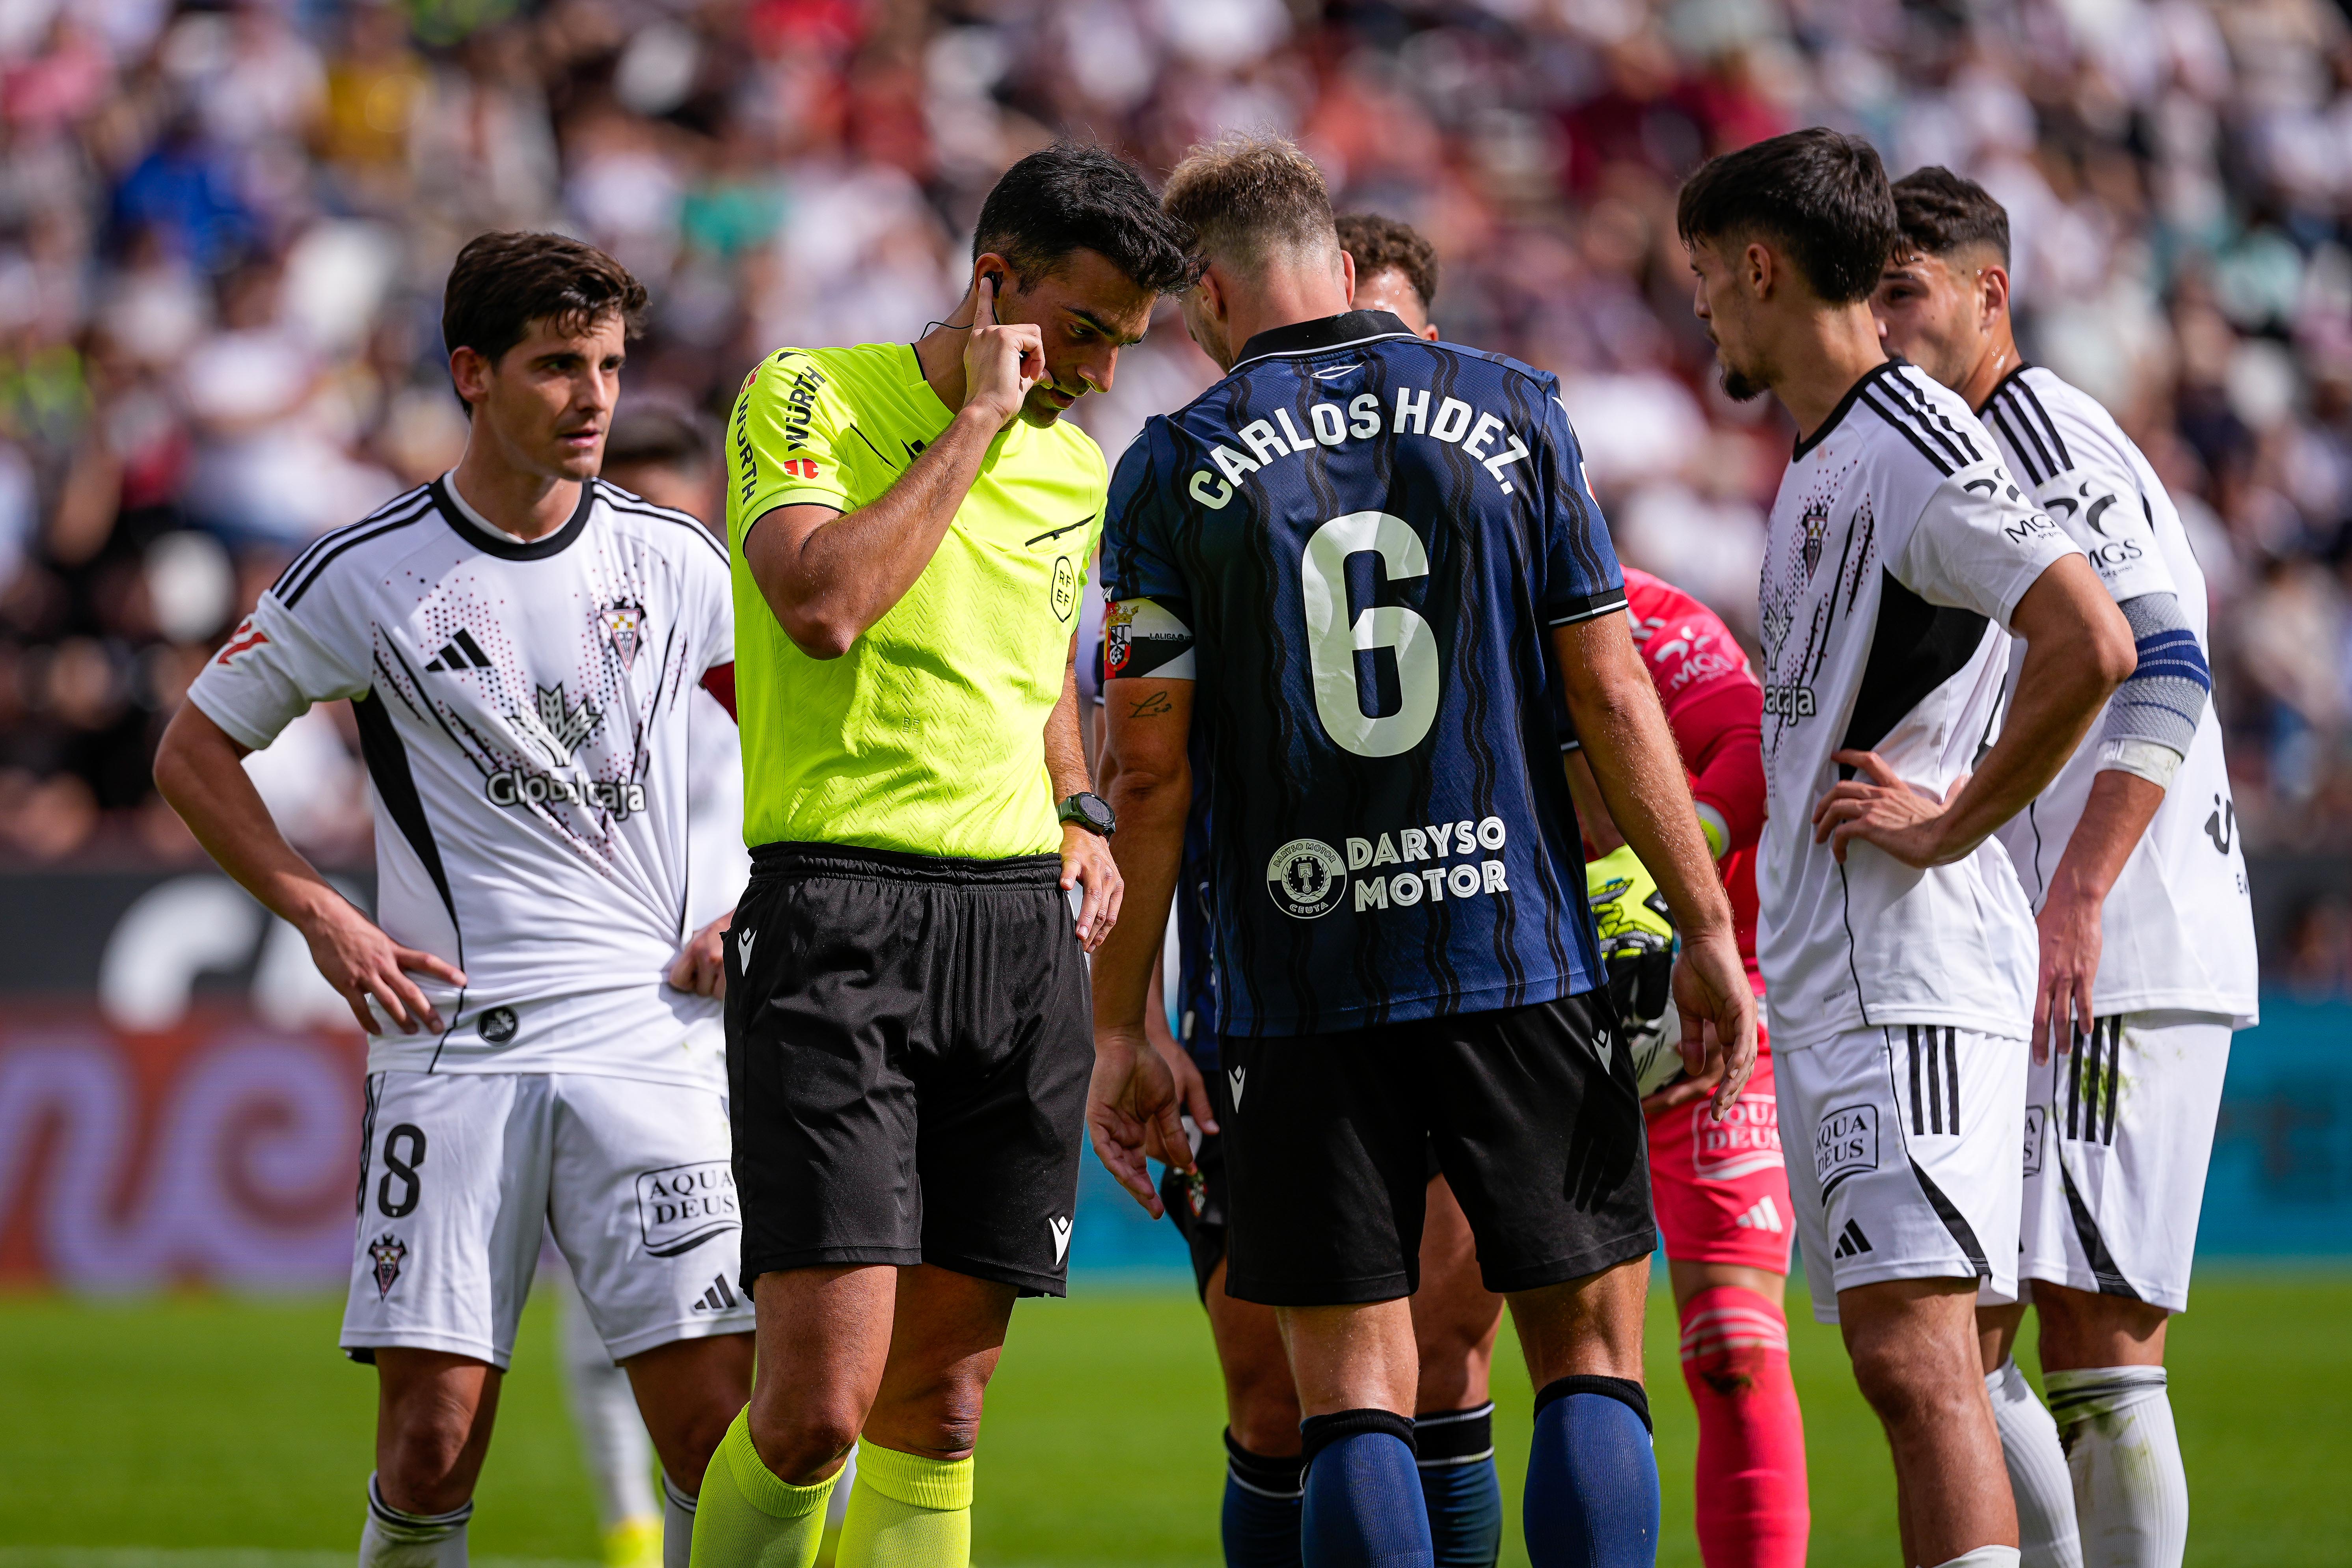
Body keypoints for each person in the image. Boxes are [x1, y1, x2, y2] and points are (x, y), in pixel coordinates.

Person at [1089, 132, 1757, 1568]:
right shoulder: (1511, 408)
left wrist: (1121, 1021)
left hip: (1293, 981)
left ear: (1204, 293)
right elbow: (1610, 685)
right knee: (1585, 1350)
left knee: (1347, 1393)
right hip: (1512, 948)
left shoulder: (1169, 465)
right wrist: (1701, 923)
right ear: (1338, 263)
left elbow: (1144, 771)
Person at [152, 231, 754, 1568]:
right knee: (429, 1439)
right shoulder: (362, 572)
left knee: (718, 1425)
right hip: (453, 1040)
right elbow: (194, 749)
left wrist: (754, 901)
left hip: (648, 1033)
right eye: (557, 366)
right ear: (471, 374)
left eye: (607, 363)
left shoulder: (680, 564)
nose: (594, 395)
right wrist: (322, 910)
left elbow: (794, 750)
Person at [695, 142, 1193, 1568]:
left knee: (946, 1402)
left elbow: (1036, 660)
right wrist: (971, 422)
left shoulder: (1075, 469)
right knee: (811, 1409)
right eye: (1084, 331)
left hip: (1013, 936)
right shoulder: (805, 393)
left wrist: (1079, 805)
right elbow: (821, 604)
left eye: (1124, 343)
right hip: (837, 915)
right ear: (997, 285)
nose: (1098, 373)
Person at [1676, 128, 2138, 1568]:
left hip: (1911, 976)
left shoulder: (1913, 442)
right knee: (1930, 1358)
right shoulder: (1823, 458)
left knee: (1916, 1358)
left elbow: (2089, 639)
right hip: (1840, 978)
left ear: (1757, 266)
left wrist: (1951, 819)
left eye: (1700, 276)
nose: (1695, 307)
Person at [1873, 167, 2258, 1568]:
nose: (1883, 324)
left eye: (1905, 292)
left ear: (1989, 291)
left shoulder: (2038, 433)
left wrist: (2079, 892)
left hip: (2116, 935)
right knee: (1957, 1327)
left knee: (2090, 1329)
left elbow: (2159, 670)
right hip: (2041, 933)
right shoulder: (1953, 449)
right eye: (1866, 297)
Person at [1117, 210, 1510, 1568]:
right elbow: (1145, 766)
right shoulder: (1197, 489)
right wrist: (1137, 1012)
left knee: (1442, 1361)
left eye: (1394, 344)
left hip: (1459, 965)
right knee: (1275, 1392)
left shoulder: (1478, 485)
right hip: (1272, 988)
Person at [1557, 562, 1808, 1568]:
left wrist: (1675, 879)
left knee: (1734, 1353)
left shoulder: (1638, 610)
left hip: (1702, 1008)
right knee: (1487, 1358)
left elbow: (1747, 741)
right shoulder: (1433, 611)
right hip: (1519, 1022)